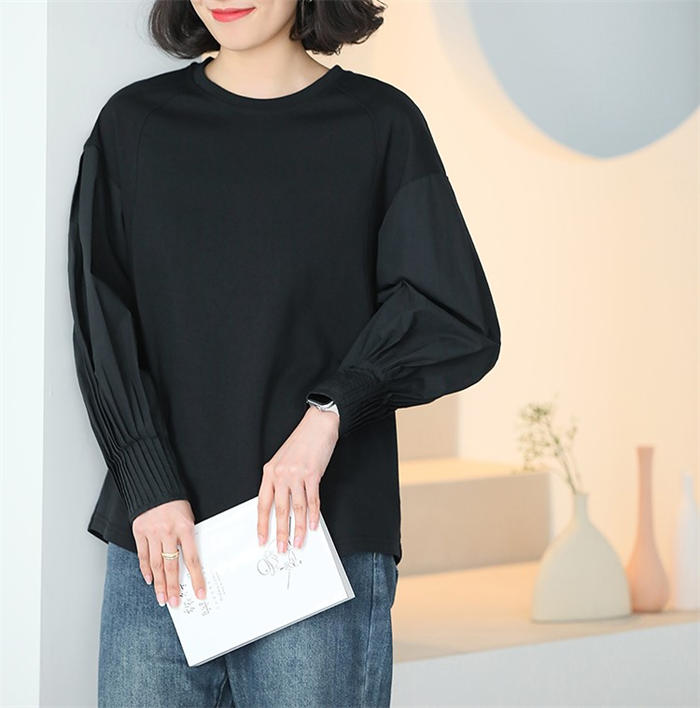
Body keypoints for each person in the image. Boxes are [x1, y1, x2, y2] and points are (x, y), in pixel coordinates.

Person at [66, 0, 501, 705]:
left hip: (318, 543)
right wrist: (148, 481)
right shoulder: (135, 126)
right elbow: (101, 317)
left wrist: (330, 413)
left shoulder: (380, 125)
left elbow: (452, 312)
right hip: (161, 548)